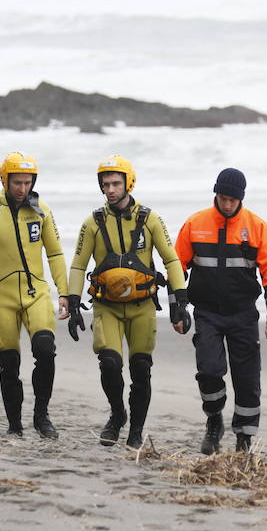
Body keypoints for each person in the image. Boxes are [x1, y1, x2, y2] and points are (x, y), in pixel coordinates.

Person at [66, 155, 190, 449]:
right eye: (105, 184)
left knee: (140, 368)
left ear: (128, 183)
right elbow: (78, 265)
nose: (110, 189)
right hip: (106, 307)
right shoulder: (93, 223)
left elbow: (171, 258)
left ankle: (136, 429)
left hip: (142, 307)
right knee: (109, 363)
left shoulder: (150, 219)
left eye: (116, 183)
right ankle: (118, 414)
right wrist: (72, 303)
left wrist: (180, 300)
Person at [175, 168, 267, 454]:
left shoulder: (257, 227)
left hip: (243, 313)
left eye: (232, 200)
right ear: (216, 194)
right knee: (209, 371)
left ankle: (244, 438)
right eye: (222, 198)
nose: (226, 204)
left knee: (247, 378)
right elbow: (177, 268)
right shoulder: (195, 224)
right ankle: (214, 420)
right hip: (207, 313)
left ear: (241, 199)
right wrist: (178, 310)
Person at [0, 151, 69, 439]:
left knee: (45, 351)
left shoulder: (42, 210)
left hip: (36, 295)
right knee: (9, 364)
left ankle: (41, 416)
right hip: (2, 298)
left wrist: (65, 292)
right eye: (17, 183)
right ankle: (14, 424)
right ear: (5, 180)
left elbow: (56, 253)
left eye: (28, 182)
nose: (23, 189)